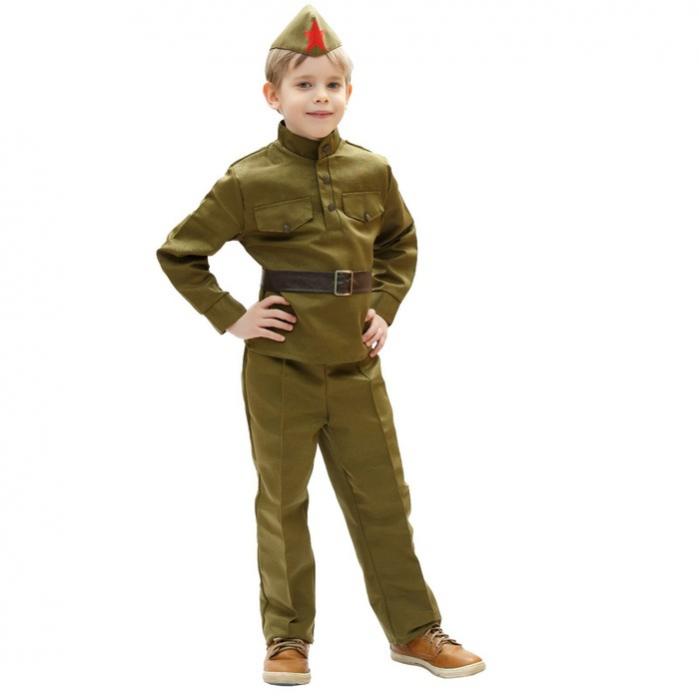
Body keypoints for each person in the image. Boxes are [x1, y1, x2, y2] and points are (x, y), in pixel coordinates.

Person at [155, 4, 485, 686]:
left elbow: (399, 243)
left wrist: (384, 305)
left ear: (349, 92)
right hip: (281, 369)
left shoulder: (373, 170)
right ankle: (287, 637)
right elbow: (180, 252)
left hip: (357, 365)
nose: (320, 97)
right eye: (304, 85)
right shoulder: (249, 179)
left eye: (332, 85)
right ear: (272, 96)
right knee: (282, 505)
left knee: (384, 501)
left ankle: (414, 630)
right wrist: (233, 316)